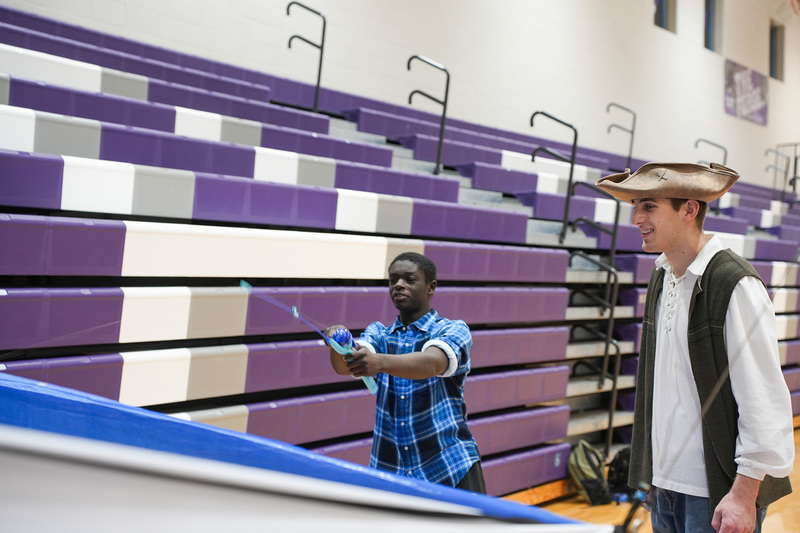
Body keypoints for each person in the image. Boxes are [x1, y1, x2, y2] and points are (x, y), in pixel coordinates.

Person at [596, 162, 794, 533]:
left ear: (689, 209)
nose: (636, 217)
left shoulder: (734, 282)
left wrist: (744, 493)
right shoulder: (661, 274)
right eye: (635, 205)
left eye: (649, 206)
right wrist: (651, 474)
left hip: (717, 495)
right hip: (664, 488)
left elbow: (764, 400)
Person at [326, 251, 485, 493]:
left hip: (450, 469)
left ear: (431, 287)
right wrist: (339, 345)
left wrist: (378, 362)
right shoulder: (379, 333)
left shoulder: (453, 330)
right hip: (392, 470)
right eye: (393, 280)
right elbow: (345, 365)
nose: (398, 285)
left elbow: (431, 363)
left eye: (409, 279)